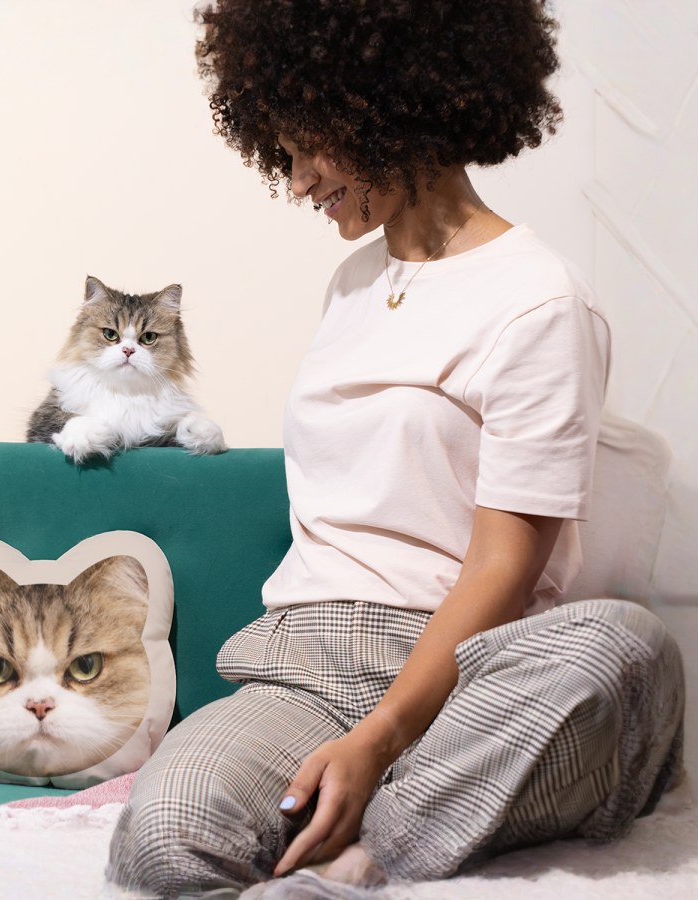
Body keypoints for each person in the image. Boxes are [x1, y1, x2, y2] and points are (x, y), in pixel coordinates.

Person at [107, 2, 685, 896]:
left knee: (619, 650)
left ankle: (363, 867)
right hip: (303, 671)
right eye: (283, 156)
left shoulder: (537, 300)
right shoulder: (351, 284)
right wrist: (348, 730)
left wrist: (380, 741)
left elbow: (504, 563)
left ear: (388, 104)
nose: (297, 182)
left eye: (309, 148)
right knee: (164, 837)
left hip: (473, 676)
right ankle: (426, 822)